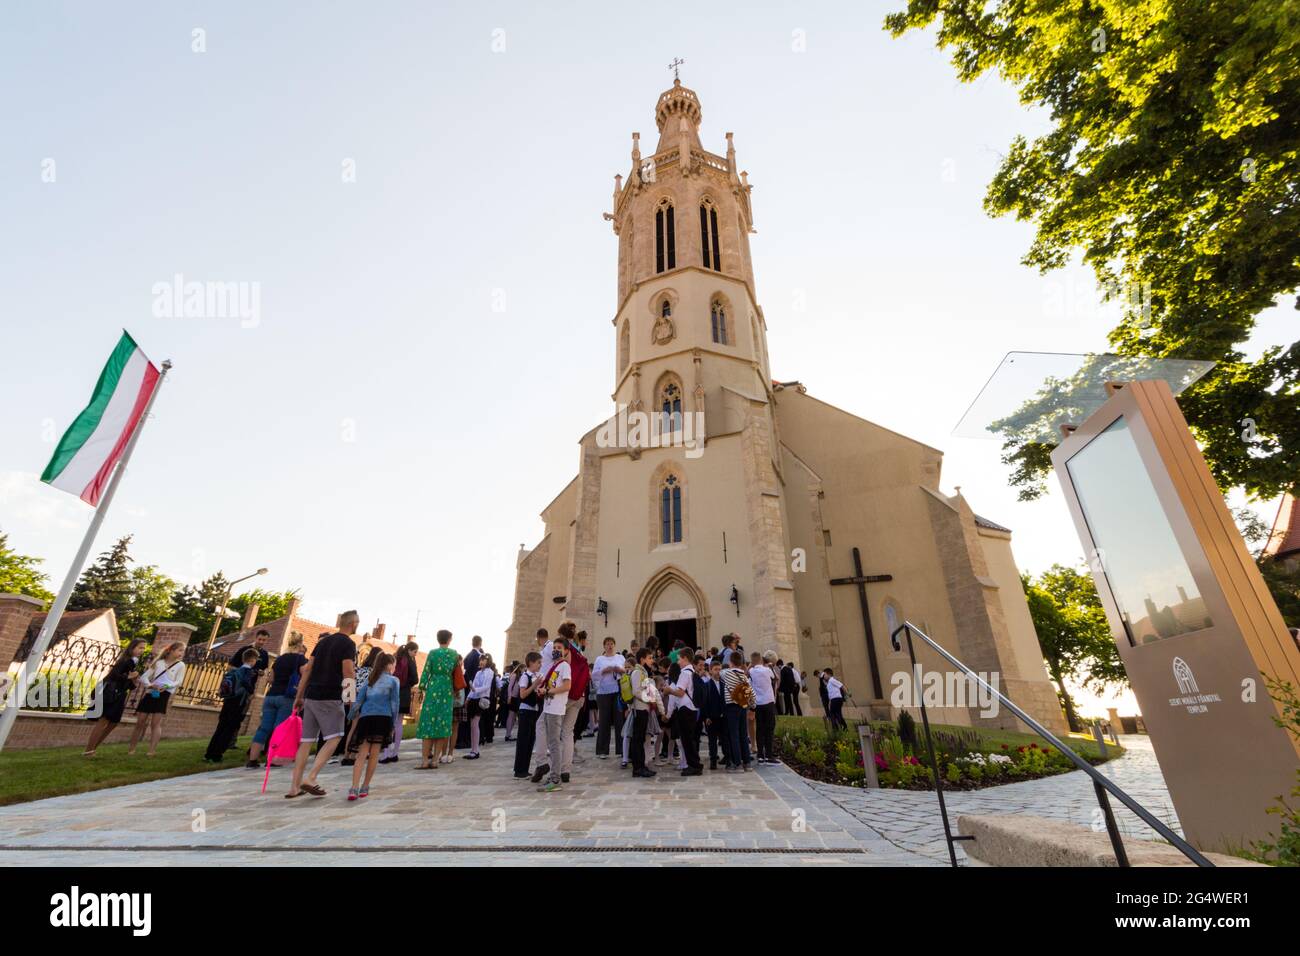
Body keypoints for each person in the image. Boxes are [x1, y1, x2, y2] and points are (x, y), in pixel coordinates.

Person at [285, 610, 358, 798]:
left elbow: (308, 670)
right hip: (330, 695)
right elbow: (348, 671)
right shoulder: (348, 644)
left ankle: (294, 787)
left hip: (311, 695)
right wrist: (350, 698)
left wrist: (299, 696)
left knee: (306, 741)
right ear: (353, 624)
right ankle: (312, 777)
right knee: (334, 737)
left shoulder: (322, 642)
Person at [248, 632, 308, 767]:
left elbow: (270, 679)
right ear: (300, 644)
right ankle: (274, 759)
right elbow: (305, 677)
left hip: (271, 695)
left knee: (264, 728)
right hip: (286, 697)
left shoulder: (280, 659)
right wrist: (300, 693)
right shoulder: (300, 660)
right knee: (279, 728)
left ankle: (252, 759)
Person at [347, 652, 399, 800]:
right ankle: (365, 786)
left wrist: (350, 716)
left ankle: (354, 787)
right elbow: (395, 703)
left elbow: (358, 701)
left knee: (361, 754)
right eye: (394, 665)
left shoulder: (370, 680)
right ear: (389, 665)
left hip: (366, 718)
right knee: (374, 754)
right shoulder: (393, 681)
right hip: (383, 718)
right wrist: (393, 723)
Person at [84, 639, 146, 756]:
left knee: (113, 722)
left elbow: (127, 681)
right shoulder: (126, 660)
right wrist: (129, 676)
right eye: (139, 647)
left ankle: (93, 748)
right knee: (103, 721)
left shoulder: (134, 662)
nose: (142, 650)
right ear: (132, 648)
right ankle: (89, 750)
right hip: (111, 693)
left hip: (119, 694)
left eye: (143, 648)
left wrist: (133, 680)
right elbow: (114, 674)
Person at [128, 641, 187, 757]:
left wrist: (166, 686)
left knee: (155, 723)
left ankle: (151, 751)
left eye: (183, 651)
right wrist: (150, 685)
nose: (182, 653)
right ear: (171, 650)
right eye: (180, 650)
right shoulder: (159, 663)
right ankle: (131, 749)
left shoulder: (181, 665)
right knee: (140, 722)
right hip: (152, 692)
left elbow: (178, 681)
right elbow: (144, 677)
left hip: (163, 695)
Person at [204, 647, 260, 762]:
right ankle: (217, 755)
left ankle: (209, 753)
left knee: (220, 727)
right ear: (253, 660)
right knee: (229, 729)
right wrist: (252, 691)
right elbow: (247, 685)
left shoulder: (234, 670)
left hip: (228, 701)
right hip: (238, 703)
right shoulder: (248, 672)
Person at [534, 637, 571, 793]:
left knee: (554, 745)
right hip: (549, 707)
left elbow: (567, 685)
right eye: (554, 647)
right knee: (551, 743)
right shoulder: (555, 666)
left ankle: (556, 778)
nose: (556, 649)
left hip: (556, 709)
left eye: (559, 647)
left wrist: (548, 691)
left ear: (566, 651)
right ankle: (552, 775)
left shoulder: (564, 666)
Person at [416, 630, 456, 769]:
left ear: (438, 639)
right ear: (449, 639)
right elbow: (456, 672)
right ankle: (435, 760)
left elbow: (426, 670)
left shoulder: (432, 653)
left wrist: (422, 686)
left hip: (433, 689)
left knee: (428, 723)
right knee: (442, 724)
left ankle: (425, 760)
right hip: (447, 689)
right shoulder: (453, 654)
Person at [664, 647, 702, 776]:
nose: (678, 662)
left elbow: (680, 692)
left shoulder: (685, 673)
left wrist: (669, 691)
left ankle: (694, 766)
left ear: (685, 658)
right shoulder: (691, 671)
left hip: (685, 709)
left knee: (687, 739)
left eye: (679, 659)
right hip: (690, 708)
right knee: (689, 739)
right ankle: (694, 764)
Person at [381, 640, 419, 763]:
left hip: (391, 691)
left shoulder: (395, 657)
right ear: (409, 650)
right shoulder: (410, 661)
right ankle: (395, 753)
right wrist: (407, 684)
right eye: (415, 652)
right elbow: (415, 679)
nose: (415, 654)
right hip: (403, 693)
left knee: (388, 723)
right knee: (399, 723)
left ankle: (386, 753)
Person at [559, 626, 589, 782]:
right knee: (568, 732)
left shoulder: (566, 649)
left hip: (566, 695)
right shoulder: (579, 650)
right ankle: (566, 770)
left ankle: (551, 767)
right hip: (579, 695)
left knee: (547, 727)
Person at [592, 636, 625, 759]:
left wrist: (619, 670)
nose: (610, 646)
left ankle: (621, 749)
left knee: (619, 720)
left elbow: (626, 671)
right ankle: (602, 750)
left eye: (612, 643)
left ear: (614, 645)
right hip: (603, 692)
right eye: (607, 644)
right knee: (604, 721)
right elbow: (594, 676)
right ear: (604, 646)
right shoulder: (600, 659)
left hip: (617, 691)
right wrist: (603, 671)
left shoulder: (620, 657)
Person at [627, 646, 657, 779]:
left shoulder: (643, 672)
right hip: (639, 709)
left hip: (643, 708)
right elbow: (636, 691)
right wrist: (649, 699)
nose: (652, 660)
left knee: (640, 738)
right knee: (637, 739)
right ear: (642, 659)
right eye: (649, 658)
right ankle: (638, 768)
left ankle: (641, 766)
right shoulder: (637, 672)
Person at [720, 651, 753, 772]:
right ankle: (747, 763)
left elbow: (720, 673)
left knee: (734, 735)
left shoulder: (726, 673)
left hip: (731, 707)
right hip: (742, 706)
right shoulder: (744, 676)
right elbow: (751, 693)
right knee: (743, 735)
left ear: (731, 662)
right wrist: (753, 707)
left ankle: (737, 764)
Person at [513, 652, 543, 778]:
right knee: (523, 741)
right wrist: (534, 686)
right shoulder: (525, 676)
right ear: (531, 663)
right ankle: (519, 770)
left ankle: (525, 768)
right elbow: (523, 694)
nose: (540, 665)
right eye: (538, 662)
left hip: (534, 711)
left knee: (530, 741)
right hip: (525, 711)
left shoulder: (537, 676)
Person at [749, 652, 778, 764]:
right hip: (768, 702)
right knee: (769, 728)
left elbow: (748, 675)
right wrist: (769, 666)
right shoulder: (767, 670)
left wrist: (751, 665)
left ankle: (760, 755)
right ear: (761, 660)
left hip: (758, 703)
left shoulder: (751, 671)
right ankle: (769, 755)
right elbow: (775, 678)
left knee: (760, 729)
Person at [466, 652, 496, 758]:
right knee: (472, 725)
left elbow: (486, 686)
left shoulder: (490, 672)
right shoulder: (478, 673)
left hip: (481, 699)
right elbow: (473, 685)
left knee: (475, 724)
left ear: (488, 661)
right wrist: (468, 697)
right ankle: (473, 749)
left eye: (483, 660)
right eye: (480, 660)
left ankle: (475, 750)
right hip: (474, 698)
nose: (481, 662)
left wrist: (475, 690)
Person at [700, 659, 725, 769]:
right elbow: (704, 702)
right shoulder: (707, 685)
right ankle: (713, 760)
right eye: (715, 669)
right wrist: (706, 717)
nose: (718, 672)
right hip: (711, 717)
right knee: (712, 740)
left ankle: (727, 757)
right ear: (710, 671)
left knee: (724, 739)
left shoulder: (724, 684)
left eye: (720, 669)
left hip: (723, 716)